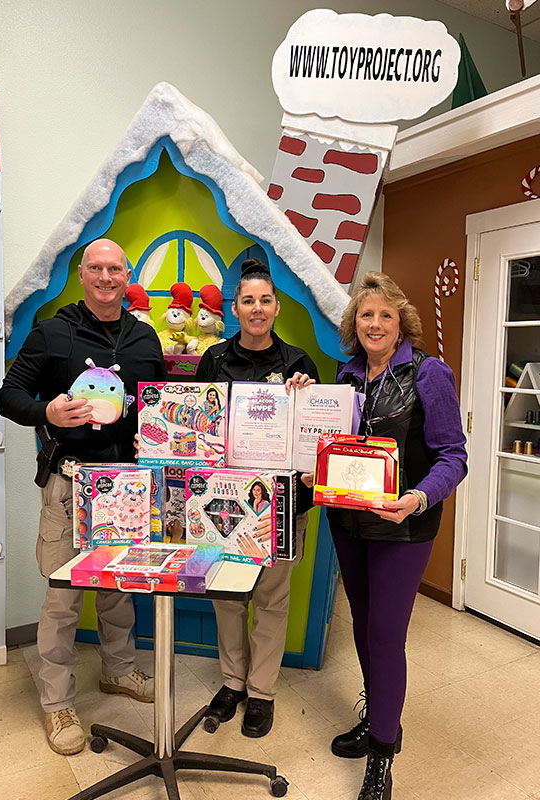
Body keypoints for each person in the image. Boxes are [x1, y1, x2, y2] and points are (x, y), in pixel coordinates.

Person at [0, 239, 167, 756]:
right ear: (82, 273)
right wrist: (46, 412)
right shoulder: (53, 331)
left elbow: (154, 408)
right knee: (62, 597)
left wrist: (154, 435)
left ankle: (117, 671)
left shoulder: (145, 337)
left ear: (127, 274)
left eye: (116, 268)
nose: (106, 276)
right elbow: (10, 395)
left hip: (127, 486)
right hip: (69, 486)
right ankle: (57, 704)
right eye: (96, 267)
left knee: (119, 589)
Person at [305, 272, 467, 800]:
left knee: (384, 636)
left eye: (385, 315)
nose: (373, 323)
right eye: (365, 315)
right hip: (348, 523)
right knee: (362, 627)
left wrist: (419, 497)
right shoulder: (345, 376)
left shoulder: (429, 373)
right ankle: (379, 720)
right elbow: (334, 447)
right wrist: (306, 424)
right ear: (354, 324)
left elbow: (453, 456)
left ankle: (382, 757)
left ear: (402, 324)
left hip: (405, 525)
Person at [196, 258, 319, 738]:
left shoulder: (298, 364)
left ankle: (262, 691)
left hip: (284, 503)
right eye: (248, 300)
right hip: (224, 502)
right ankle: (232, 683)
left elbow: (314, 434)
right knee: (226, 596)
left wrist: (306, 398)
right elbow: (197, 429)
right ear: (235, 308)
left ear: (276, 307)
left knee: (271, 598)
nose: (257, 308)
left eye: (265, 300)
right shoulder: (214, 361)